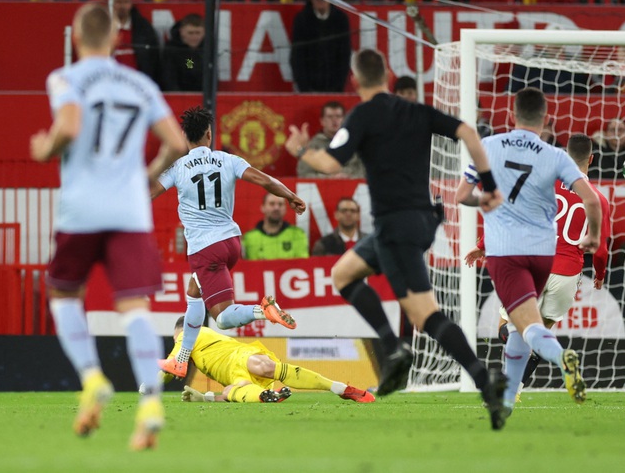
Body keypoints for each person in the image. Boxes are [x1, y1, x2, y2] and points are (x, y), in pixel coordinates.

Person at [283, 48, 509, 430]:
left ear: (355, 80)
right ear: (388, 74)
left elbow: (330, 164)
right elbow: (469, 133)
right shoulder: (416, 110)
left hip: (395, 226)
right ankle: (393, 347)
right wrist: (488, 186)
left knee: (425, 316)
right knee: (343, 273)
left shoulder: (362, 116)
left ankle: (481, 379)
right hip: (420, 220)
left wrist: (301, 149)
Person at [30, 4, 188, 450]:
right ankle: (152, 403)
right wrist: (144, 176)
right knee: (134, 307)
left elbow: (70, 124)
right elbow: (176, 143)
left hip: (81, 209)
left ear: (77, 39)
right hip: (129, 211)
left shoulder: (66, 78)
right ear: (117, 39)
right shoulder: (141, 83)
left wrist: (46, 150)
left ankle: (91, 376)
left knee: (63, 293)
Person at [457, 88, 602, 424]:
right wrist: (593, 237)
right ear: (546, 118)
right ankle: (508, 399)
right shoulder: (555, 155)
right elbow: (592, 201)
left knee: (525, 327)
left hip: (507, 251)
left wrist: (487, 203)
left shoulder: (489, 146)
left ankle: (561, 355)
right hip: (544, 256)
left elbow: (463, 195)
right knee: (525, 327)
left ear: (512, 115)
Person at [152, 106, 305, 379]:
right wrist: (290, 195)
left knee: (222, 318)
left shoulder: (177, 168)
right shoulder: (228, 160)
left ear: (184, 137)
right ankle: (181, 359)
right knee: (193, 292)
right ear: (209, 135)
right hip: (231, 242)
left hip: (203, 249)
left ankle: (263, 310)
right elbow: (264, 180)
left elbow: (148, 193)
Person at [165, 317, 375, 403]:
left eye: (177, 339)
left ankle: (339, 388)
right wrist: (205, 398)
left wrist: (148, 386)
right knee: (229, 393)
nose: (178, 344)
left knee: (263, 366)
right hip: (237, 379)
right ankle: (267, 396)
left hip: (239, 357)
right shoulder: (197, 355)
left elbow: (168, 369)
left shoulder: (189, 335)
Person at [290, 0, 351, 93]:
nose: (319, 0)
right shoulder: (302, 19)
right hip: (307, 87)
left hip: (334, 86)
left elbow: (344, 55)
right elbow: (297, 56)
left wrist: (338, 87)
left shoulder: (341, 19)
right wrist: (304, 88)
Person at [296, 101, 364, 178]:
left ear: (345, 120)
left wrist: (347, 177)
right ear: (322, 121)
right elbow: (304, 174)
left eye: (338, 116)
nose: (334, 120)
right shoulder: (313, 145)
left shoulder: (355, 143)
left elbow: (365, 171)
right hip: (322, 188)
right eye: (330, 117)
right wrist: (330, 178)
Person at [111, 0, 160, 85]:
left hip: (137, 84)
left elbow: (153, 59)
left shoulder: (143, 27)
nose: (123, 6)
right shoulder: (102, 28)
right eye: (119, 2)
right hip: (110, 83)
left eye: (126, 2)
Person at [242, 193, 310, 260]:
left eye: (280, 204)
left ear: (285, 208)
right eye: (272, 204)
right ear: (263, 207)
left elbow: (302, 263)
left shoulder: (297, 234)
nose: (276, 208)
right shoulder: (249, 238)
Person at [588, 118, 625, 183]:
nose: (617, 134)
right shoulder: (594, 151)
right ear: (605, 133)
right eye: (613, 130)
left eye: (621, 130)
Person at [160, 13, 204, 92]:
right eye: (190, 33)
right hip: (178, 97)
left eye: (198, 33)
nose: (194, 37)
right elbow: (168, 78)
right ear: (181, 32)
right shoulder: (172, 49)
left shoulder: (208, 48)